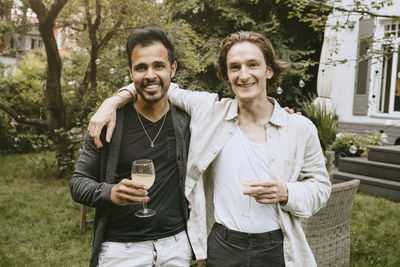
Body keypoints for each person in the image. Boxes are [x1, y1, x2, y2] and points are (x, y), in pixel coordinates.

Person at [89, 31, 332, 266]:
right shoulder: (209, 111)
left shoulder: (299, 128)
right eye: (235, 67)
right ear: (227, 74)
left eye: (253, 65)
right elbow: (156, 82)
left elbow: (320, 188)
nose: (243, 74)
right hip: (222, 246)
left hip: (277, 246)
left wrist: (286, 192)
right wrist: (114, 101)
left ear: (269, 70)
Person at [70, 27, 194, 267]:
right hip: (121, 249)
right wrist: (110, 192)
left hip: (175, 246)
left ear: (173, 69)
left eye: (159, 66)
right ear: (131, 72)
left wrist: (283, 116)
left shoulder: (188, 121)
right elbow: (78, 183)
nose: (150, 75)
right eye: (141, 67)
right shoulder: (107, 121)